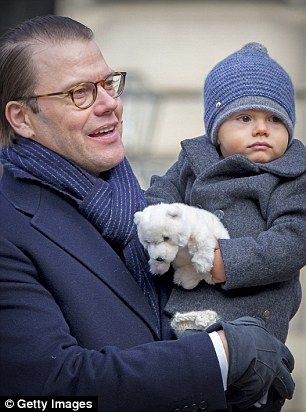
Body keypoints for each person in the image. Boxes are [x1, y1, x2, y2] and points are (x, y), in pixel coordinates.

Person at [0, 16, 294, 412]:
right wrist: (220, 355)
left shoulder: (144, 205)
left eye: (108, 84)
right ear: (22, 118)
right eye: (79, 93)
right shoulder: (9, 224)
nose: (110, 104)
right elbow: (45, 391)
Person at [146, 43, 306, 407]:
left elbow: (294, 239)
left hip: (253, 317)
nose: (262, 129)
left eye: (275, 119)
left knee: (245, 390)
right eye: (245, 119)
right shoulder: (194, 159)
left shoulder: (292, 175)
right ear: (216, 130)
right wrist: (159, 225)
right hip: (183, 312)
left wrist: (223, 261)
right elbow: (162, 192)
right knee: (176, 386)